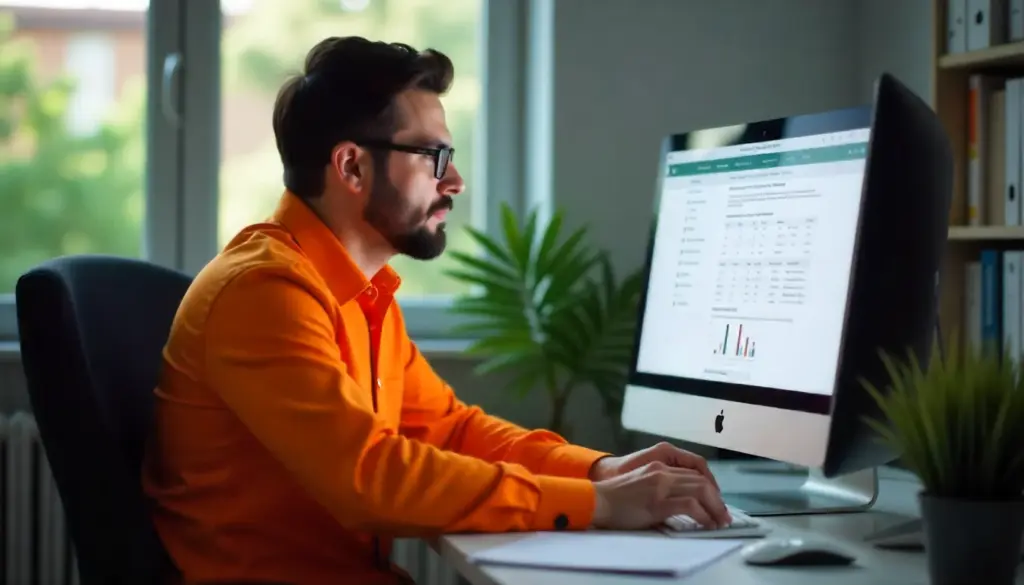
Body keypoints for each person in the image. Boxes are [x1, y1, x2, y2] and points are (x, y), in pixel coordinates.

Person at [141, 36, 731, 585]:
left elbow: (451, 432)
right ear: (351, 167)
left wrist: (600, 471)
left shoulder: (362, 293)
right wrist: (598, 505)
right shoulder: (265, 292)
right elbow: (371, 477)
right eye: (435, 156)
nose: (456, 181)